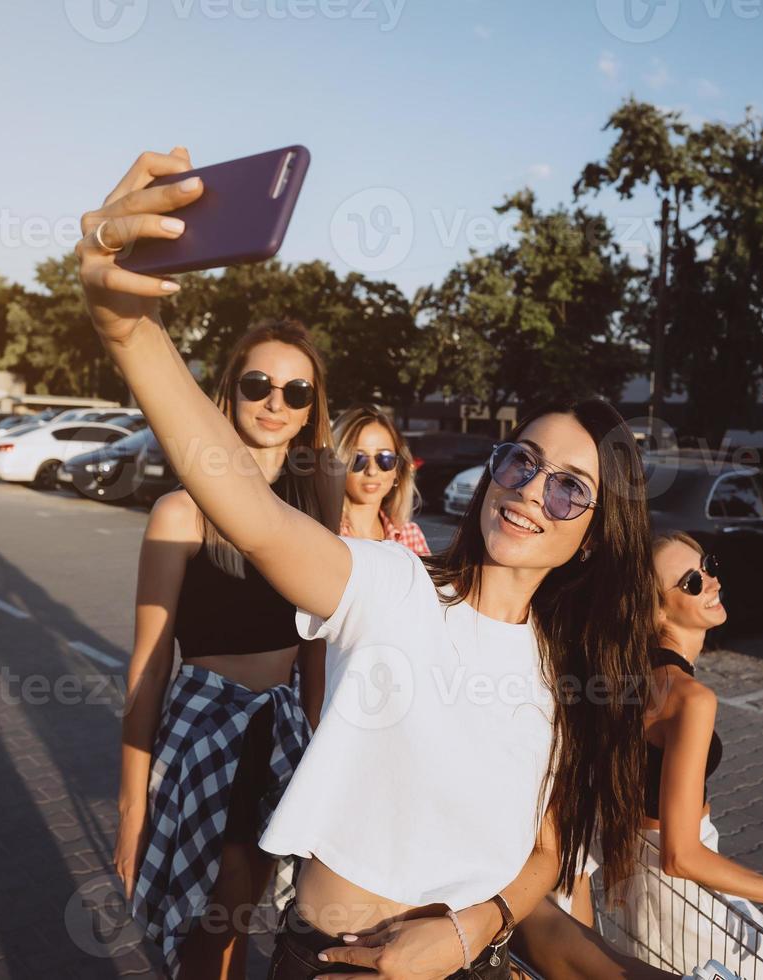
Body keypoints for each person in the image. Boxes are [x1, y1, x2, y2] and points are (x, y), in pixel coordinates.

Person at [76, 145, 655, 980]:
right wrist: (129, 333)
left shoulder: (564, 668)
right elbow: (253, 512)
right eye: (521, 462)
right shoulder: (393, 587)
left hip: (469, 961)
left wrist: (461, 934)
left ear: (596, 533)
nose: (532, 492)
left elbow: (546, 853)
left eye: (569, 489)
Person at [113, 317, 341, 979]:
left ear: (310, 413)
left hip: (282, 731)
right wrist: (132, 804)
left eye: (297, 392)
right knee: (211, 925)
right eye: (258, 384)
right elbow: (149, 662)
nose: (276, 402)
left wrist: (323, 750)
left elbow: (316, 651)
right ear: (228, 395)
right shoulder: (179, 513)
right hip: (206, 730)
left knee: (243, 916)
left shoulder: (317, 506)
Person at [593, 531, 763, 980]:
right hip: (683, 897)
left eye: (710, 566)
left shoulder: (624, 676)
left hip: (636, 887)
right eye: (691, 582)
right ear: (656, 608)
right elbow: (681, 855)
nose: (712, 581)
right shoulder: (690, 699)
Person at [332, 404, 430, 556]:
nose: (371, 470)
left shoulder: (409, 535)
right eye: (357, 459)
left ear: (397, 470)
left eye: (385, 458)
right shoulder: (325, 535)